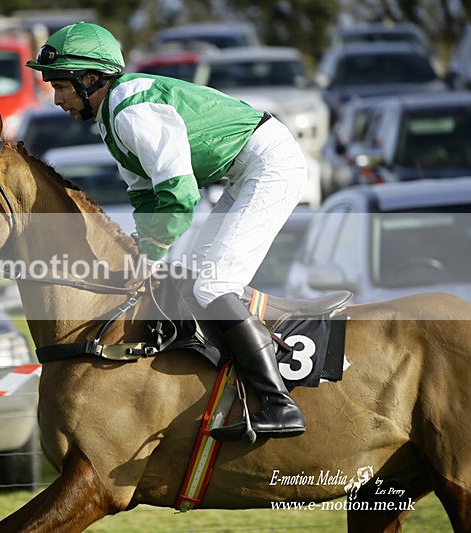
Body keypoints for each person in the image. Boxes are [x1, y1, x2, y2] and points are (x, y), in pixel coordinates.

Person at [26, 22, 308, 441]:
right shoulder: (111, 120)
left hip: (269, 165)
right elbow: (146, 197)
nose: (58, 98)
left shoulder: (131, 110)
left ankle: (280, 405)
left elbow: (178, 194)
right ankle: (242, 390)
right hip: (242, 173)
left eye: (61, 86)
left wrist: (149, 254)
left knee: (212, 286)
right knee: (199, 283)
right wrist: (140, 250)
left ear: (90, 79)